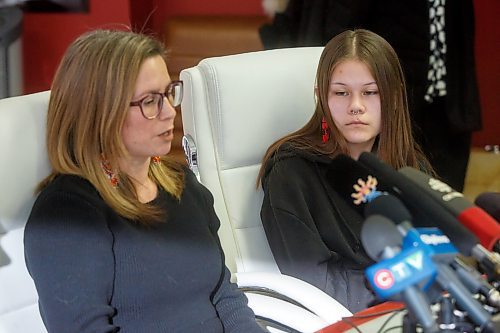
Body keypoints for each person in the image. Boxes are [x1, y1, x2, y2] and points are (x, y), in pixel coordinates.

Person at [24, 29, 264, 333]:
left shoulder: (182, 184)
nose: (169, 112)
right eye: (150, 101)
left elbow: (223, 294)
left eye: (168, 94)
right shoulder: (66, 214)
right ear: (101, 111)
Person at [257, 29, 434, 313]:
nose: (356, 106)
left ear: (394, 97)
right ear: (321, 97)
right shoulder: (291, 173)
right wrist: (402, 287)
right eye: (341, 93)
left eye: (371, 92)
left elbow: (438, 253)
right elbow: (315, 283)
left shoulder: (410, 164)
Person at [259, 0, 482, 192]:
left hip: (444, 102)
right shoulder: (291, 169)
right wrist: (362, 91)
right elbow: (336, 39)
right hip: (387, 97)